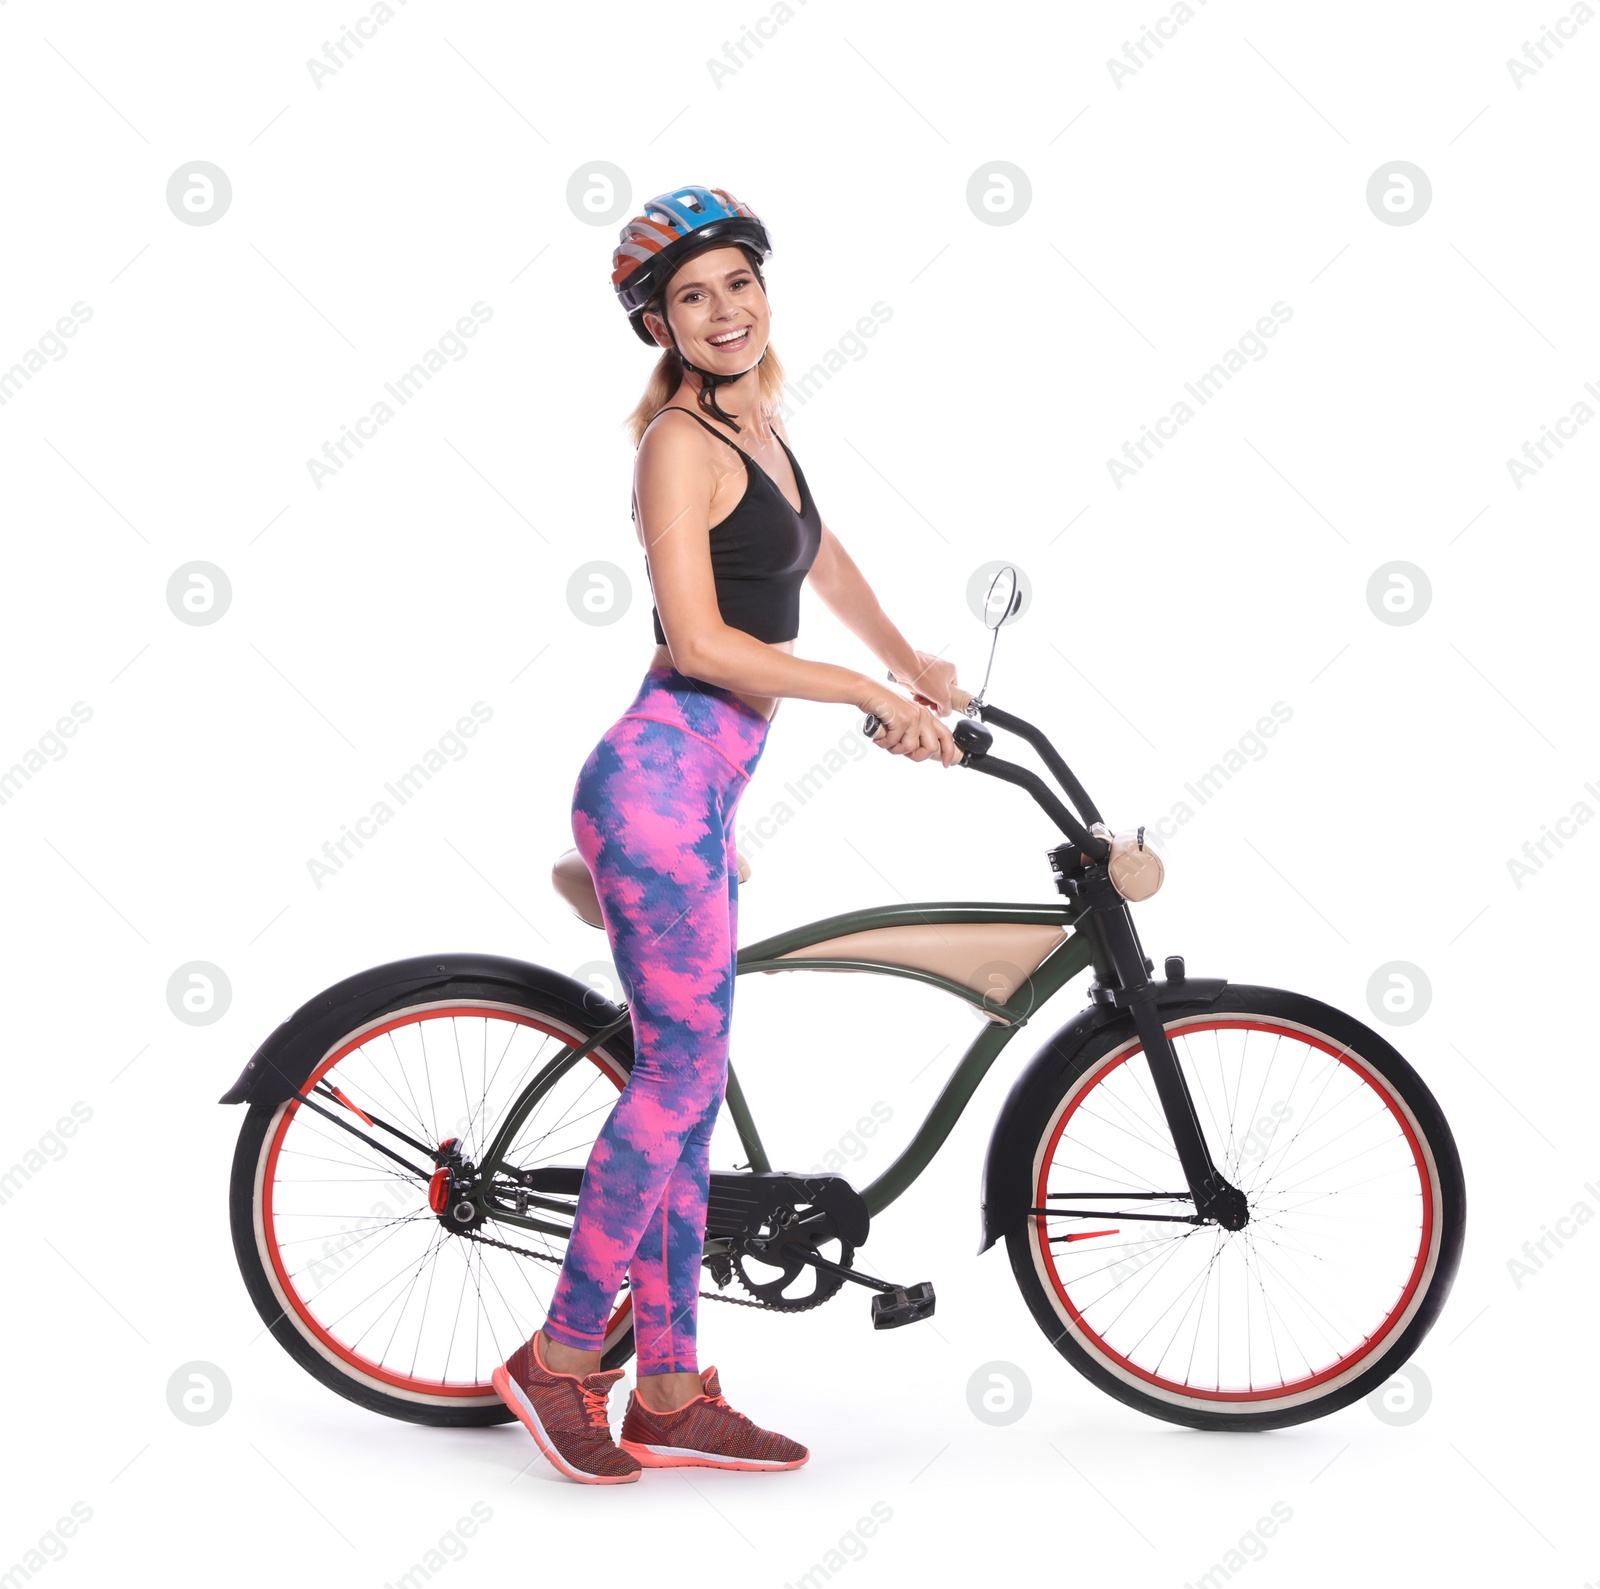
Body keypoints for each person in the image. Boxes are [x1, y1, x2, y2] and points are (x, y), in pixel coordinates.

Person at [492, 184, 960, 1485]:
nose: (723, 309)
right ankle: (562, 1358)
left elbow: (823, 559)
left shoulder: (759, 421)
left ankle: (675, 1389)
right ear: (658, 321)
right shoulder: (675, 447)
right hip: (652, 782)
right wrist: (867, 697)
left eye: (736, 282)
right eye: (691, 295)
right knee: (683, 1078)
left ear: (763, 290)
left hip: (700, 795)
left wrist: (908, 655)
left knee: (687, 1097)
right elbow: (700, 641)